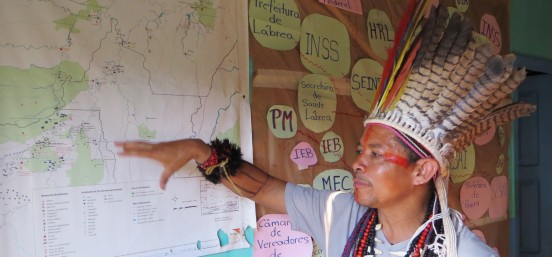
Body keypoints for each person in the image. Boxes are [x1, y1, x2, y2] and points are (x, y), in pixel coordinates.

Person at [116, 0, 536, 256]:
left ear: (423, 170)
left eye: (375, 154)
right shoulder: (344, 214)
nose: (357, 163)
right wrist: (197, 150)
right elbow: (263, 189)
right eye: (361, 151)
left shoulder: (461, 252)